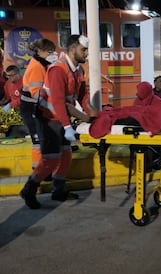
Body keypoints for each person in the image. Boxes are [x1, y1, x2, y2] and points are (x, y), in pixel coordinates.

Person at [19, 34, 90, 209]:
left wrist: (92, 113)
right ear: (72, 48)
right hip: (49, 118)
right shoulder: (58, 69)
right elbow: (57, 100)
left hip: (60, 117)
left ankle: (58, 190)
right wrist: (67, 126)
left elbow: (81, 95)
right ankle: (29, 189)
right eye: (84, 49)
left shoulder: (78, 70)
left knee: (66, 155)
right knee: (50, 159)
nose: (87, 53)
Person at [20, 38, 57, 171]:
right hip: (31, 108)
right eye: (50, 52)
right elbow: (36, 93)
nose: (53, 54)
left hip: (34, 107)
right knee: (38, 140)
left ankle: (42, 171)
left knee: (43, 138)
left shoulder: (41, 64)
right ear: (41, 51)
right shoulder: (37, 67)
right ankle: (39, 172)